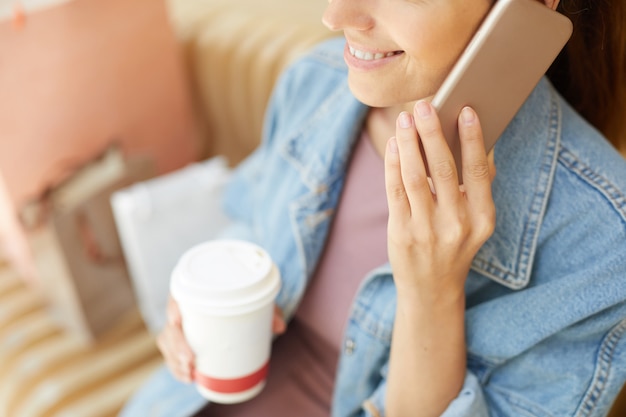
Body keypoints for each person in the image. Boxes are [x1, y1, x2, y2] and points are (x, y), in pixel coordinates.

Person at [119, 0, 626, 416]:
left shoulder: (601, 242)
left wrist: (431, 291)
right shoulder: (315, 80)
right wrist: (200, 296)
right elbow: (248, 219)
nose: (336, 16)